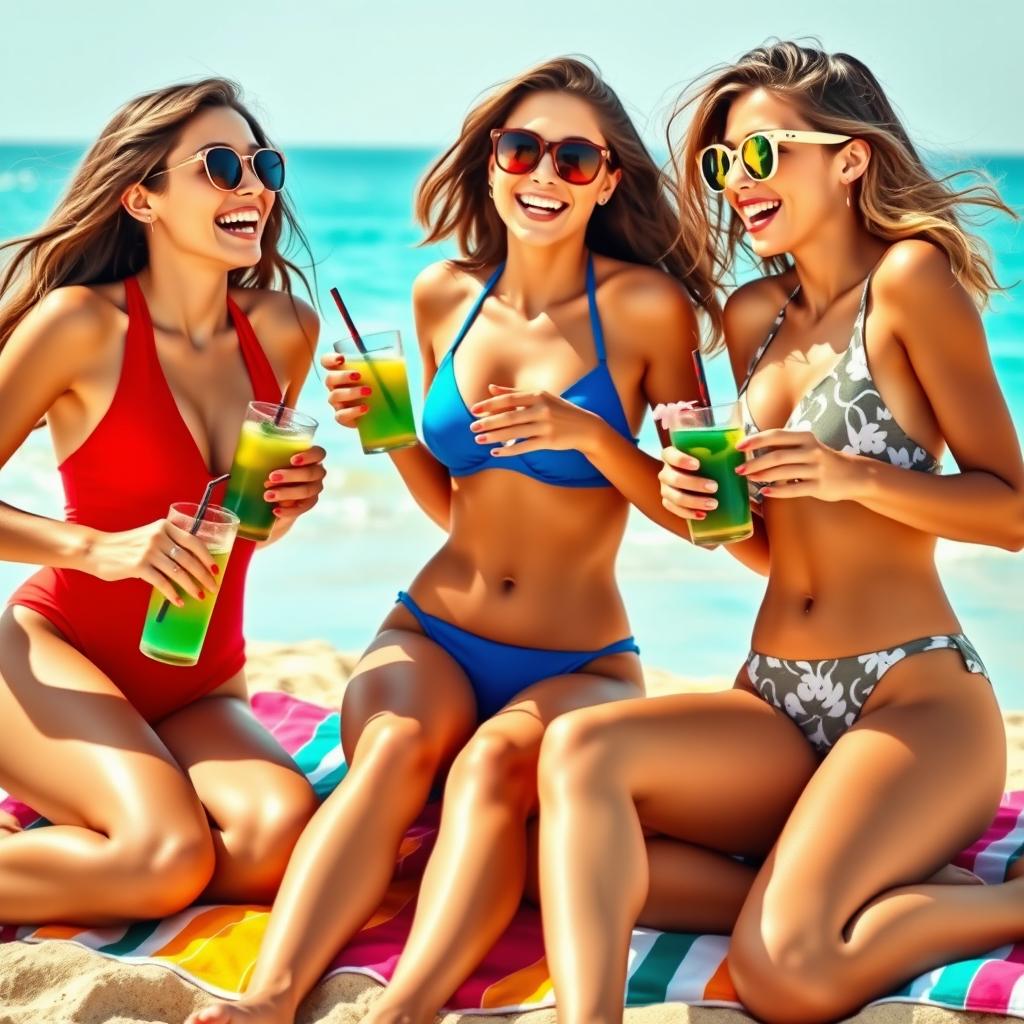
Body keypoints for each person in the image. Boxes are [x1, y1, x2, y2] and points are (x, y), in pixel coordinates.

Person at [186, 56, 733, 1024]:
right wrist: (389, 432)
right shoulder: (446, 296)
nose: (545, 175)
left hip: (581, 658)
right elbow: (452, 505)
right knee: (394, 747)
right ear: (491, 164)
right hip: (432, 627)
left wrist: (591, 436)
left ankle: (404, 1009)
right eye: (523, 149)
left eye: (575, 158)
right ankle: (271, 997)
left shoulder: (648, 309)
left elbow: (703, 518)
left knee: (488, 769)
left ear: (608, 180)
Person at [535, 41, 1024, 1024]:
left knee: (784, 973)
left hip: (909, 697)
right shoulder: (755, 313)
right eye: (722, 163)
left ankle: (1002, 905)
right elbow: (758, 544)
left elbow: (1010, 509)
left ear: (848, 158)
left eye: (761, 154)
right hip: (772, 697)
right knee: (575, 771)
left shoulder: (909, 282)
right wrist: (670, 484)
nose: (734, 182)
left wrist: (853, 476)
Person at [0, 79, 327, 925]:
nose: (251, 185)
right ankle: (124, 831)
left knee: (282, 843)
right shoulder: (82, 325)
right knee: (166, 857)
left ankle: (106, 824)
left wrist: (285, 510)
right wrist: (98, 548)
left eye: (263, 166)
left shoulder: (285, 329)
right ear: (142, 197)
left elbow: (243, 523)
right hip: (54, 651)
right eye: (220, 165)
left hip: (200, 680)